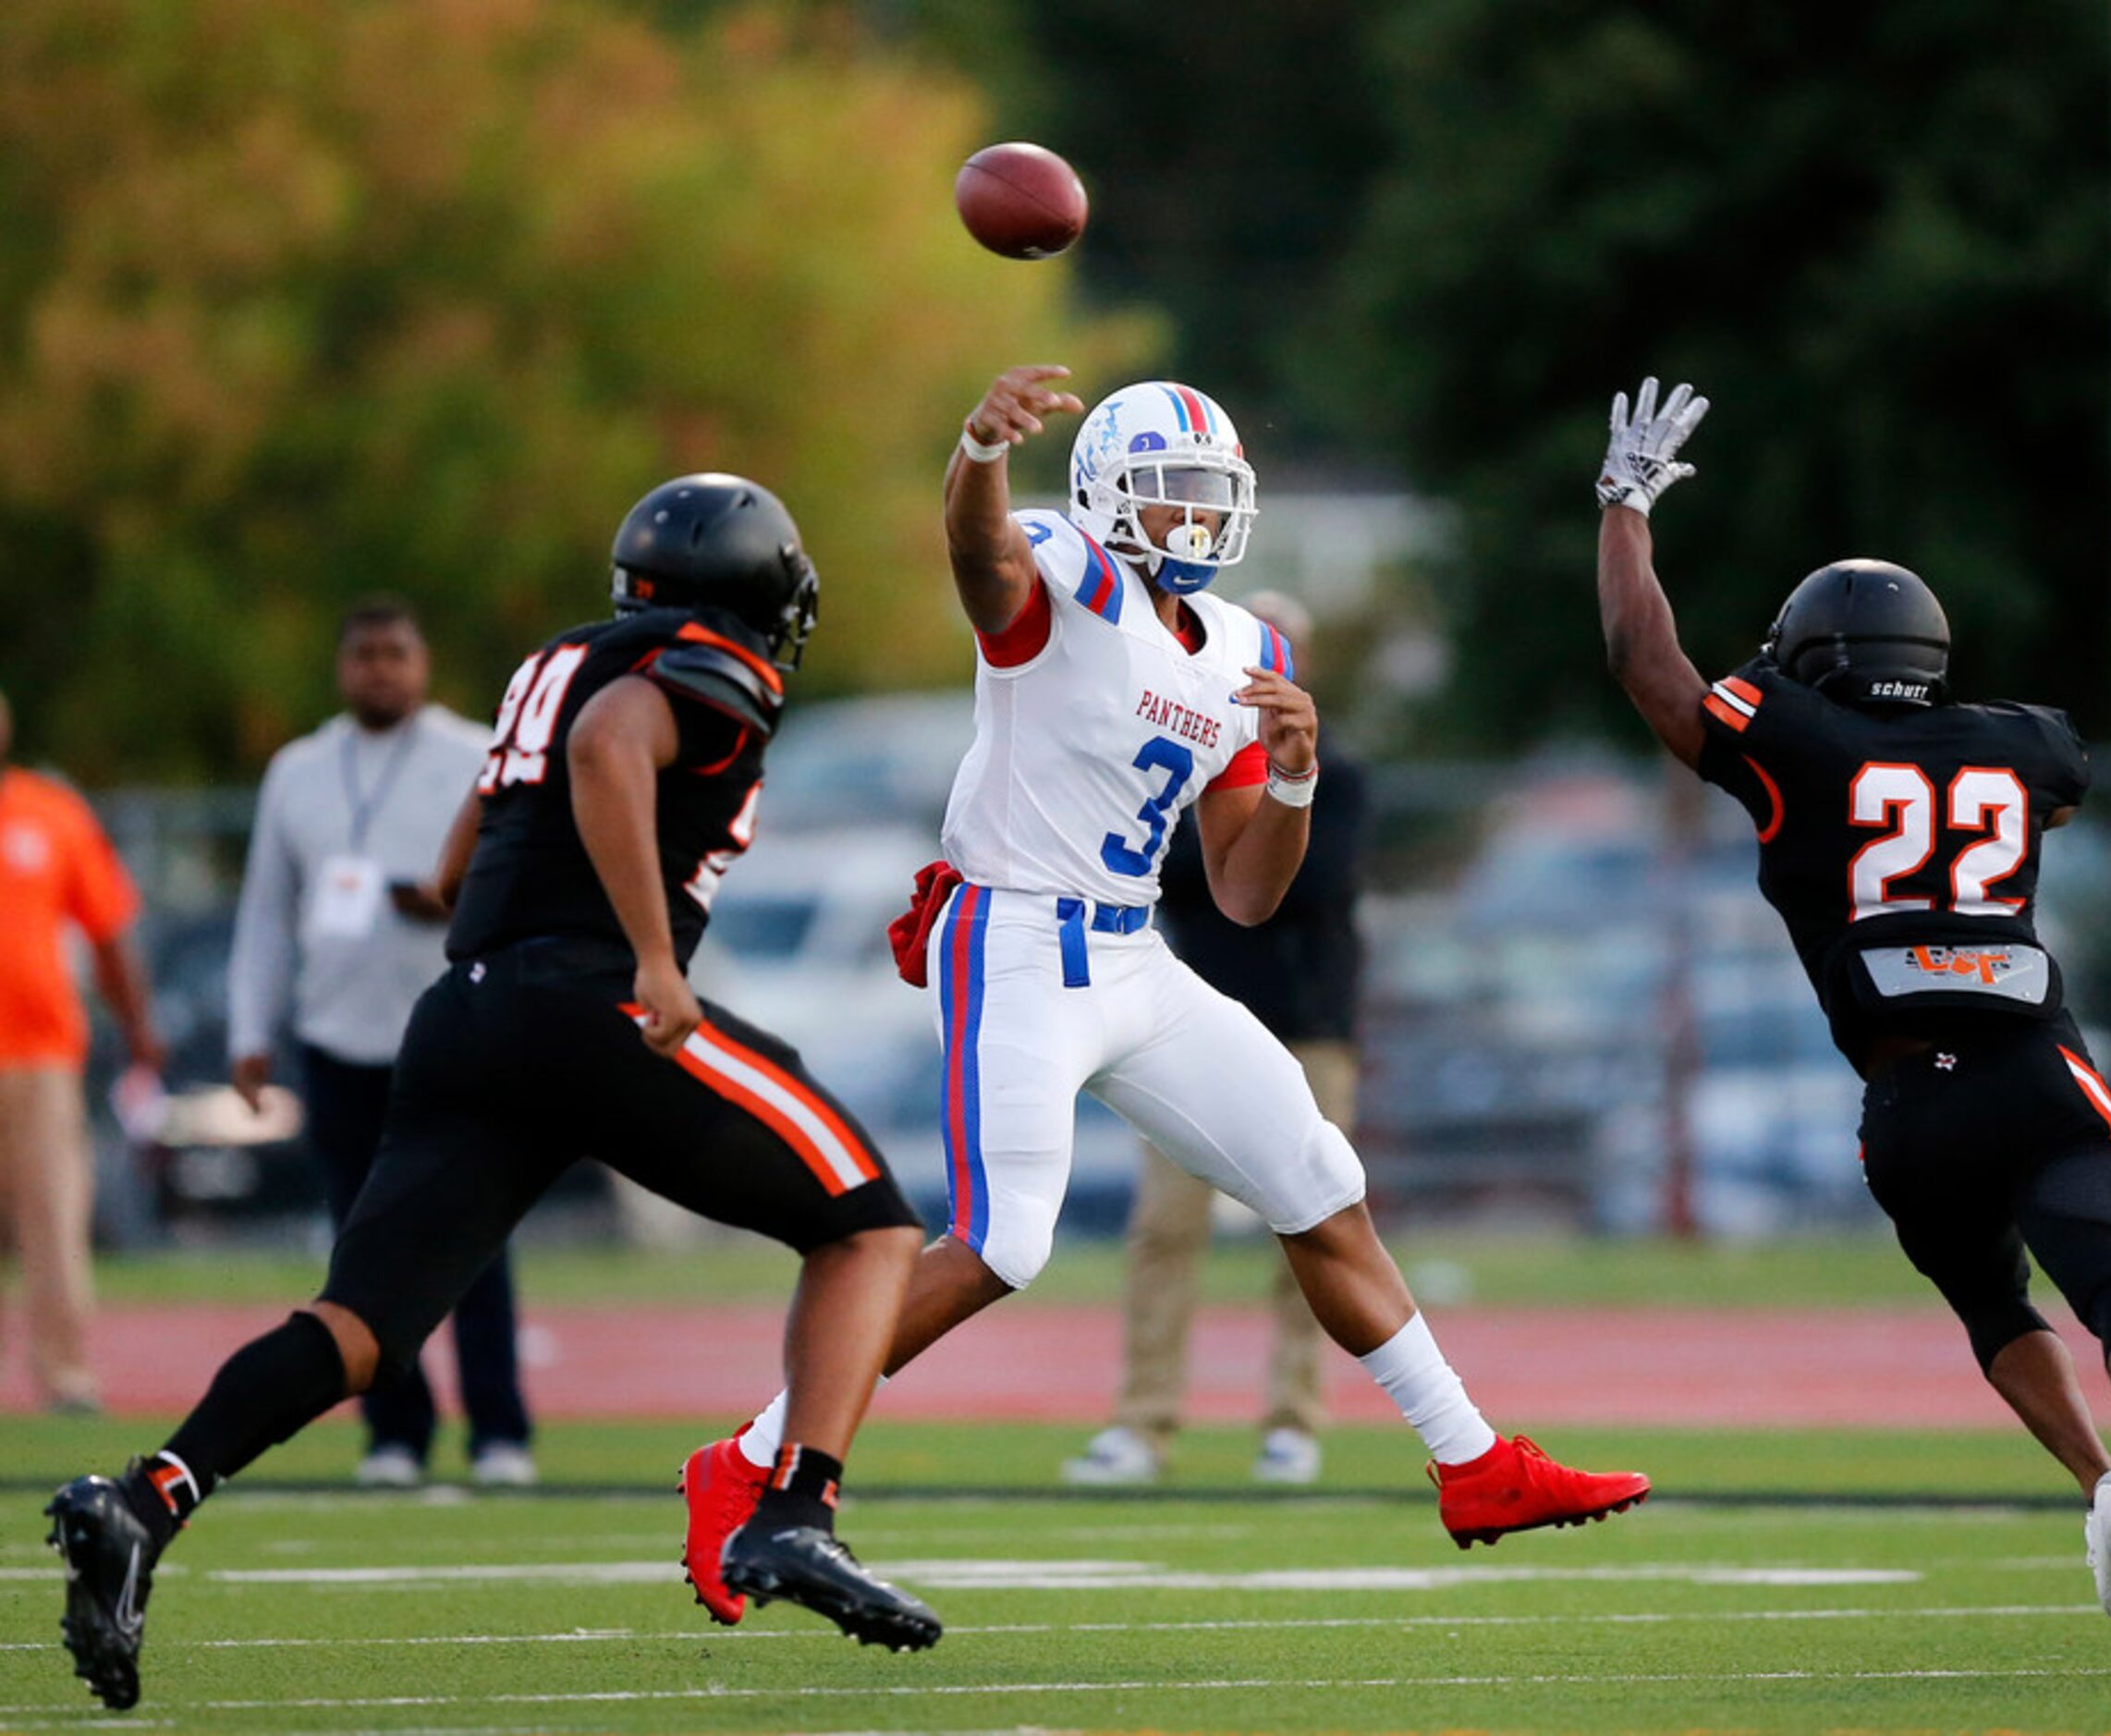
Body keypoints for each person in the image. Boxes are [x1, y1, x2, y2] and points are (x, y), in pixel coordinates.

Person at [678, 369, 1647, 1617]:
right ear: (1102, 494)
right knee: (1006, 1239)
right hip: (1015, 934)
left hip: (1133, 950)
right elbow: (978, 556)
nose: (1193, 517)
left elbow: (1245, 890)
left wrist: (1291, 779)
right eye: (1168, 491)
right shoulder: (1065, 571)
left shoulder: (1250, 647)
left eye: (1209, 494)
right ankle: (750, 1459)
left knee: (1318, 1176)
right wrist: (977, 446)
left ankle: (1472, 1462)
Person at [46, 475, 940, 1714]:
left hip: (468, 1009)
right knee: (869, 1222)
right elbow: (607, 746)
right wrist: (652, 951)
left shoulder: (553, 658)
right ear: (747, 586)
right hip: (595, 1003)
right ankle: (796, 1508)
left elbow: (459, 855)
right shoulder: (704, 660)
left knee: (359, 1326)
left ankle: (145, 1497)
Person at [1592, 377, 2111, 1646]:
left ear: (1808, 660)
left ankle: (2101, 1485)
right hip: (2033, 1070)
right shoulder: (2023, 747)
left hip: (1903, 1109)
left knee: (1992, 1305)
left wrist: (1624, 508)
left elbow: (1651, 666)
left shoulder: (1790, 736)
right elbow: (2040, 795)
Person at [227, 599, 535, 1488]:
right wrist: (252, 1030)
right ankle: (394, 1434)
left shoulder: (473, 754)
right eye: (364, 655)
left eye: (396, 653)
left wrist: (443, 899)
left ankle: (498, 1432)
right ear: (341, 667)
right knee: (362, 1248)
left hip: (450, 1032)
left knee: (474, 1236)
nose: (380, 670)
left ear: (423, 662)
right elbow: (265, 913)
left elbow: (516, 877)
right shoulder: (300, 770)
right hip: (337, 1038)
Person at [1062, 592, 1365, 1488]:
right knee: (1164, 1228)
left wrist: (1249, 826)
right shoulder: (1193, 772)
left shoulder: (1335, 774)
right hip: (1187, 1028)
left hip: (1308, 1024)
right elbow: (1166, 870)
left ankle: (1293, 1421)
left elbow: (1300, 878)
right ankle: (1143, 1423)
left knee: (1313, 1227)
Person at [0, 687, 165, 1414]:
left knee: (53, 1215)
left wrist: (138, 1025)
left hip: (39, 1051)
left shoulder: (49, 810)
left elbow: (107, 929)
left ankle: (63, 1372)